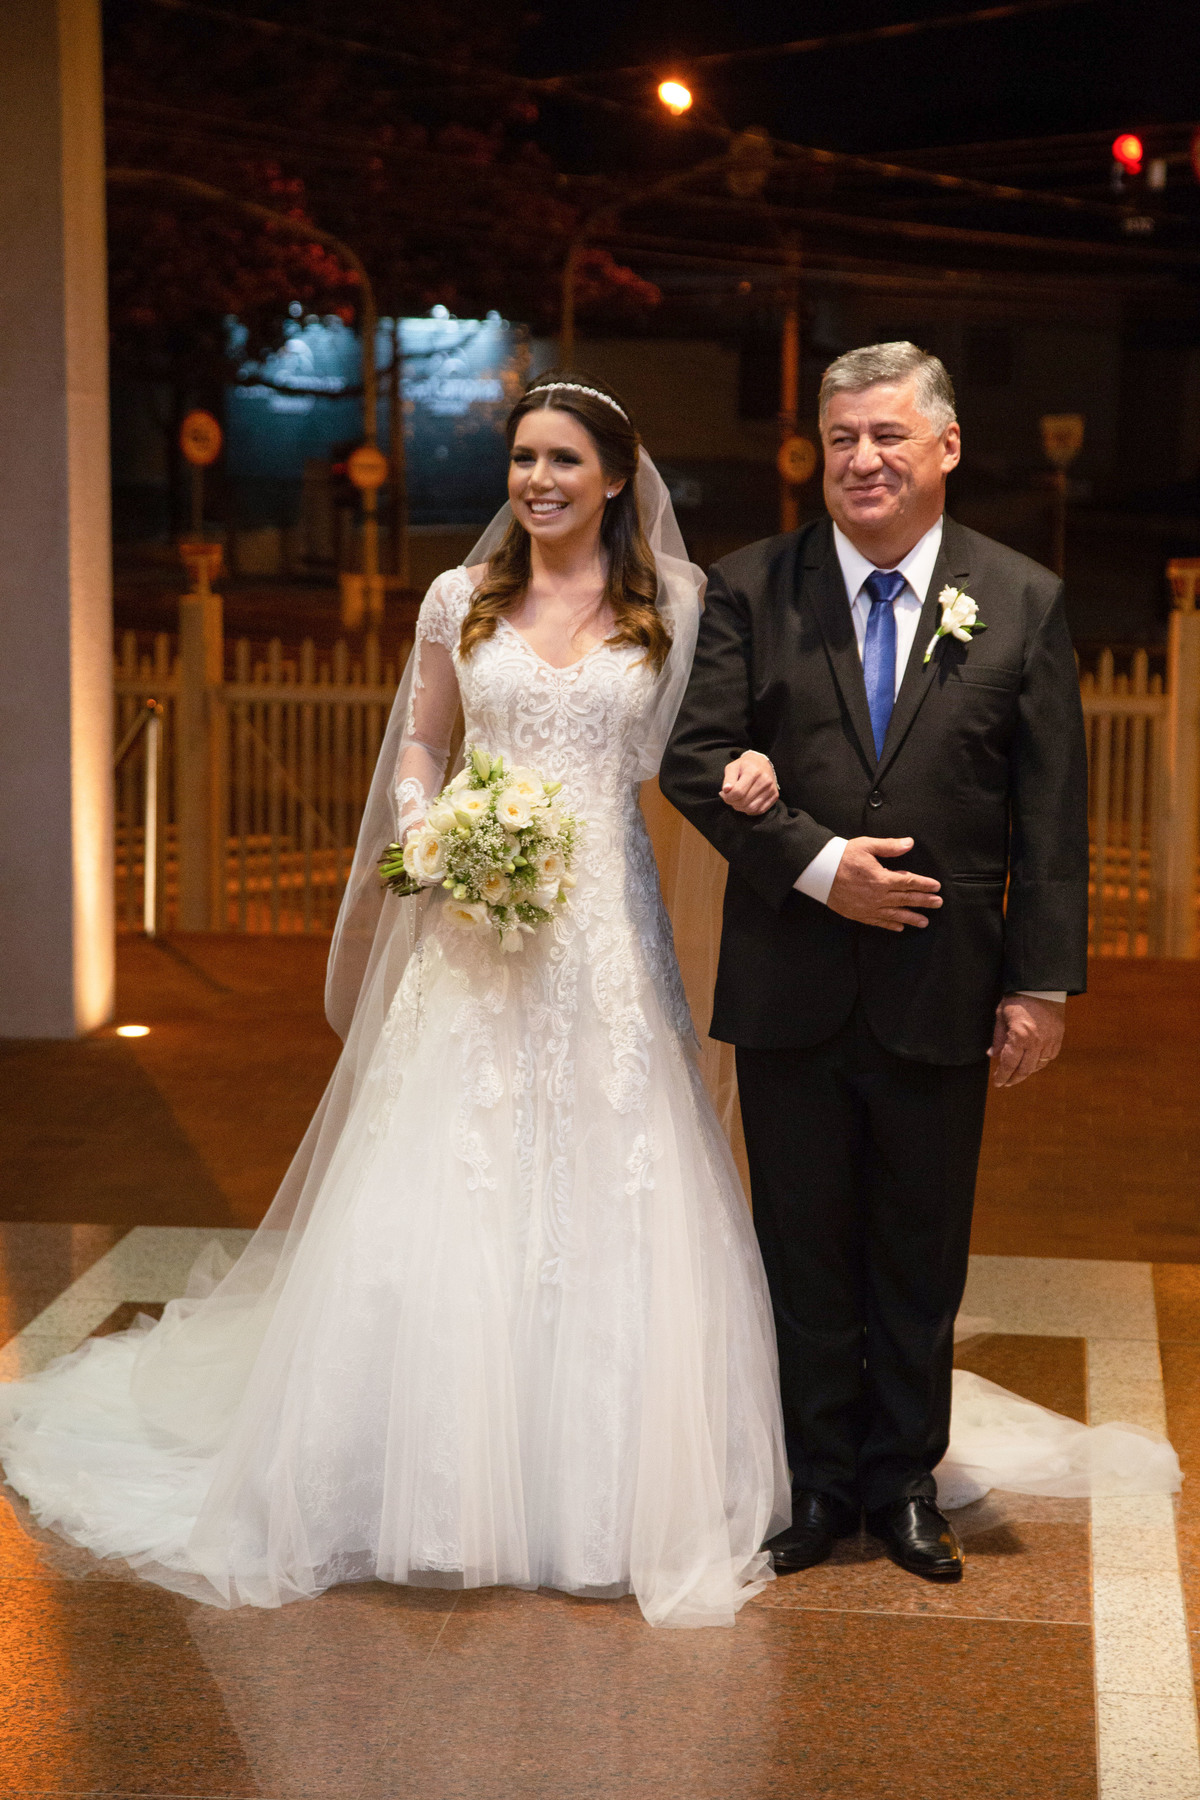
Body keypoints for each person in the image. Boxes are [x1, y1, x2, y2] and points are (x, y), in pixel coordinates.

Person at [0, 373, 791, 1630]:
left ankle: (599, 1490)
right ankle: (411, 1481)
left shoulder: (678, 607)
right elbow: (424, 743)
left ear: (614, 478)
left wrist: (749, 765)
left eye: (563, 461)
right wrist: (429, 829)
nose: (537, 481)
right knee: (447, 1166)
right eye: (522, 459)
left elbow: (708, 749)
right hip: (474, 932)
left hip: (602, 935)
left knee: (614, 1163)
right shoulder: (458, 599)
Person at [660, 340, 1150, 1582]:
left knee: (920, 1252)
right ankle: (819, 1482)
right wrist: (822, 866)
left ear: (946, 446)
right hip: (791, 982)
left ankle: (903, 1483)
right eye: (842, 439)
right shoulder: (751, 587)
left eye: (886, 435)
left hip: (945, 983)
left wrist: (1039, 983)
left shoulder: (1022, 598)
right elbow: (694, 759)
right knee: (803, 1247)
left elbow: (1049, 814)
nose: (862, 459)